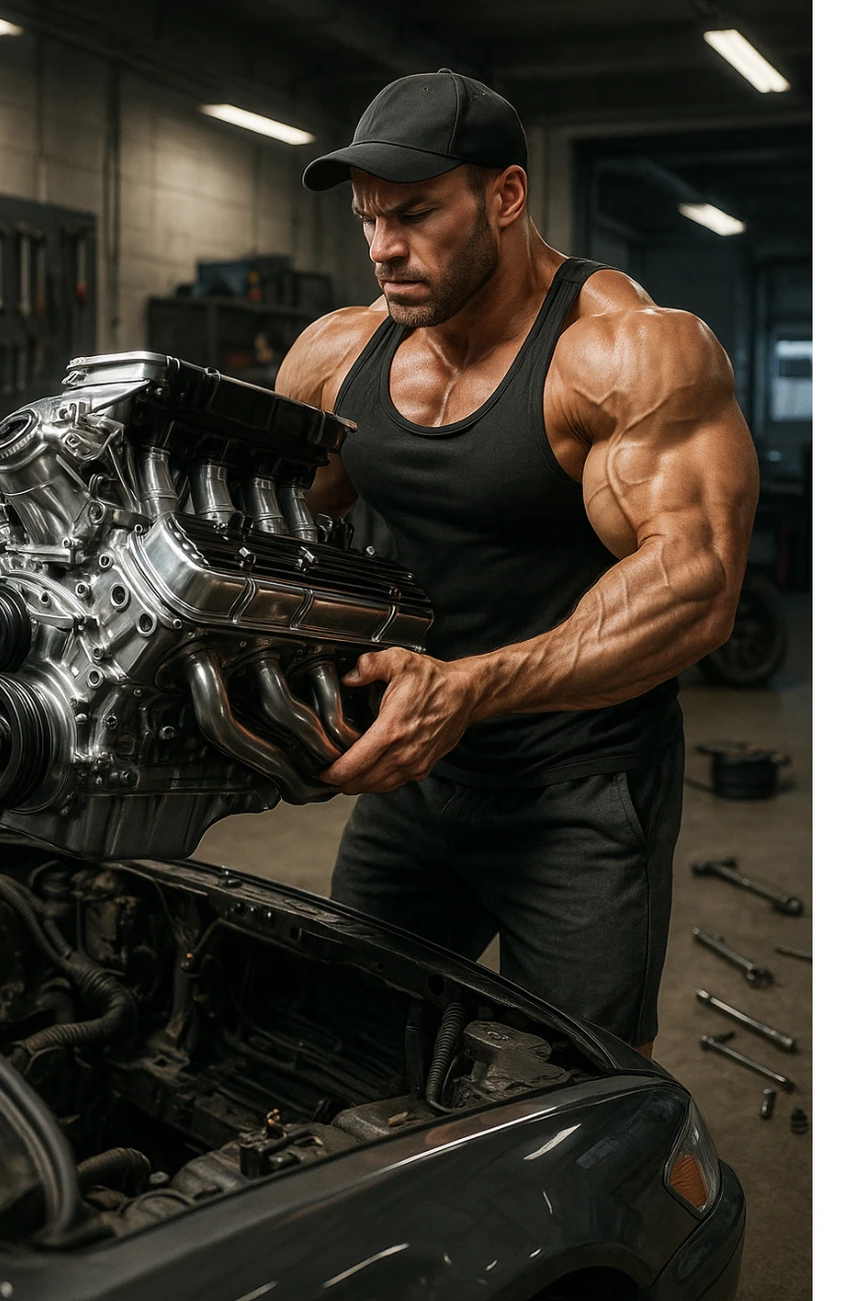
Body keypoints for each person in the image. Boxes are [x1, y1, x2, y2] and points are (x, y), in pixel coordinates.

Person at [272, 69, 759, 1057]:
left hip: (577, 791)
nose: (384, 249)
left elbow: (696, 584)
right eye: (367, 221)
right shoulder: (337, 356)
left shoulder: (622, 350)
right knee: (349, 1043)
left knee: (574, 1089)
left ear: (504, 196)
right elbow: (248, 530)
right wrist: (64, 640)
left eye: (413, 214)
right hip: (413, 782)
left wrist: (469, 688)